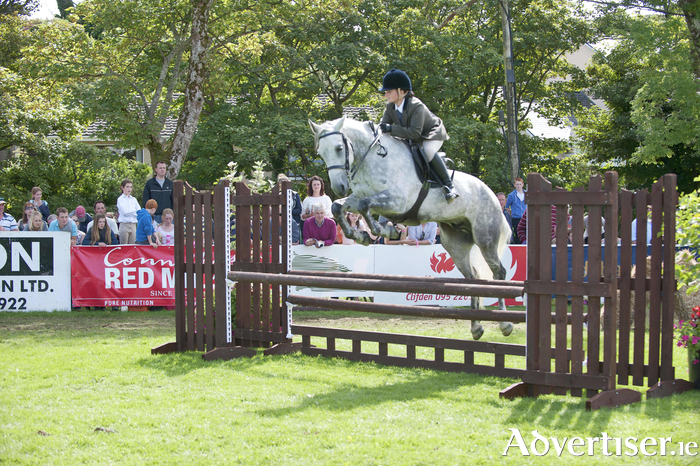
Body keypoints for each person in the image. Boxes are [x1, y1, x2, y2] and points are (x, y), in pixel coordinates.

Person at [378, 68, 458, 203]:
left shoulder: (416, 106)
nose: (386, 94)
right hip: (411, 136)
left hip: (430, 134)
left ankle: (449, 186)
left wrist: (391, 128)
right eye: (386, 91)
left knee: (427, 150)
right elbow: (383, 127)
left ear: (402, 92)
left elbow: (415, 133)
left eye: (389, 91)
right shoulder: (390, 107)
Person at [117, 179, 140, 244]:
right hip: (124, 224)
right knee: (124, 245)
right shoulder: (120, 199)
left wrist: (132, 212)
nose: (129, 189)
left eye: (130, 187)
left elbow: (138, 211)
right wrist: (134, 211)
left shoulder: (134, 199)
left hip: (133, 224)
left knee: (132, 245)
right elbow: (125, 212)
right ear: (122, 188)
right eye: (127, 187)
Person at [505, 177, 527, 244]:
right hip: (516, 219)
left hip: (526, 218)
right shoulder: (511, 195)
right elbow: (506, 206)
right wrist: (512, 214)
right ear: (514, 185)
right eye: (517, 184)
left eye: (520, 184)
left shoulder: (527, 194)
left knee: (527, 234)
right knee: (518, 235)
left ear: (523, 184)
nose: (518, 186)